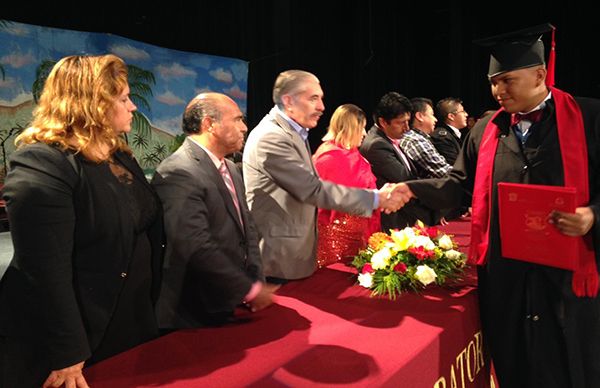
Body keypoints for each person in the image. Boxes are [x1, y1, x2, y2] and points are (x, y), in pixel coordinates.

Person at [396, 24, 600, 387]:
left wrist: (591, 215)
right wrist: (411, 188)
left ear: (540, 75)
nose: (497, 91)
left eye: (507, 81)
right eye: (493, 82)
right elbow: (460, 186)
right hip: (506, 274)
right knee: (514, 361)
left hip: (566, 275)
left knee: (570, 362)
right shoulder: (486, 129)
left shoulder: (589, 118)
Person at [0, 54, 164, 388]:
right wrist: (67, 351)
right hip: (79, 335)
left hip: (126, 318)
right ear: (93, 104)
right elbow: (44, 269)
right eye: (122, 99)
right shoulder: (43, 163)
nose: (133, 107)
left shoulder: (118, 155)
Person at [243, 70, 404, 283]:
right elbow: (313, 190)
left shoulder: (293, 132)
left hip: (294, 254)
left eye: (321, 98)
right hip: (279, 260)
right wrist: (376, 199)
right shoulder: (272, 137)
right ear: (288, 101)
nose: (322, 107)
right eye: (313, 99)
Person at [152, 93, 277, 328]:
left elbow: (247, 228)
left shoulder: (229, 166)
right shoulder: (178, 171)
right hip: (195, 314)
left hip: (232, 303)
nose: (244, 128)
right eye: (238, 120)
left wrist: (255, 281)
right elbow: (194, 244)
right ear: (210, 124)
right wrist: (249, 289)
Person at [312, 104, 380, 267]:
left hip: (358, 235)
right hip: (335, 240)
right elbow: (329, 199)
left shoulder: (353, 153)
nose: (364, 133)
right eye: (362, 128)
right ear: (350, 128)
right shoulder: (329, 157)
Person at [359, 92, 439, 231]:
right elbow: (405, 179)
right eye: (401, 122)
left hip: (403, 219)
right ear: (383, 122)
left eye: (408, 121)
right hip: (391, 223)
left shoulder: (390, 138)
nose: (407, 128)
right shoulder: (376, 145)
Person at [399, 97, 452, 178]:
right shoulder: (414, 140)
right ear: (419, 116)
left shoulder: (418, 138)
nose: (435, 119)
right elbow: (444, 172)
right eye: (432, 115)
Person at [431, 97, 469, 166]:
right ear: (451, 116)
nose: (466, 115)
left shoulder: (451, 134)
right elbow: (455, 164)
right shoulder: (442, 137)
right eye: (462, 111)